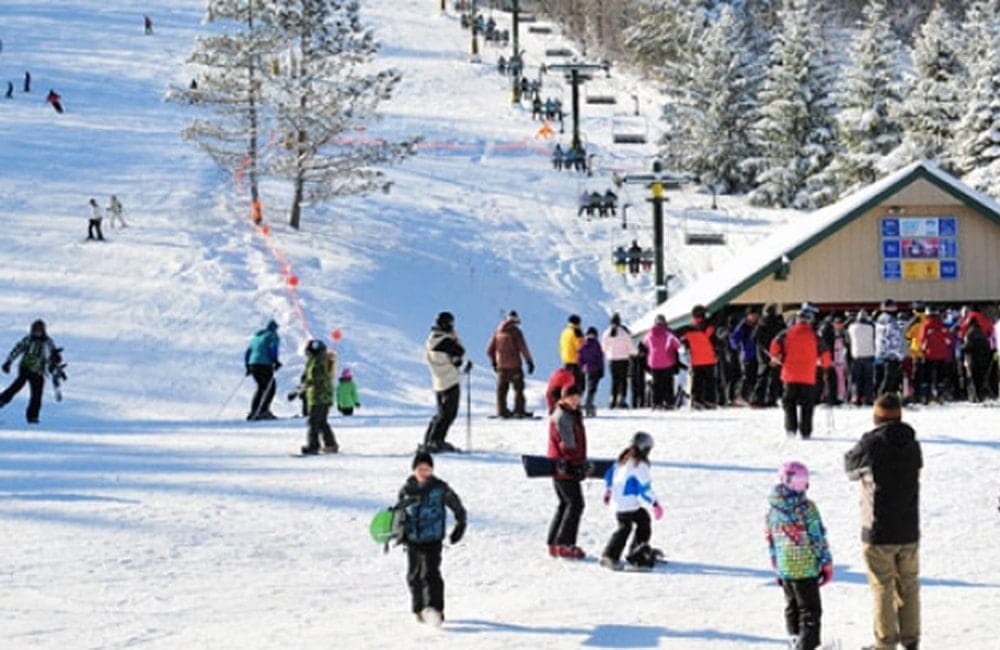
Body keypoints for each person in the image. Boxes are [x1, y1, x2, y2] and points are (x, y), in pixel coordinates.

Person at [844, 394, 922, 650]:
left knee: (882, 586)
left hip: (878, 529)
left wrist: (866, 441)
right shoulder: (913, 444)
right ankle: (911, 639)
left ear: (876, 417)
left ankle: (885, 642)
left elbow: (849, 468)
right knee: (909, 585)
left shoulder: (871, 444)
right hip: (909, 528)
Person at [766, 461, 833, 650]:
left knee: (792, 607)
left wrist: (777, 567)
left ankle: (794, 640)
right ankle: (807, 645)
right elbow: (817, 537)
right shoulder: (806, 508)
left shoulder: (773, 511)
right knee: (810, 611)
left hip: (785, 567)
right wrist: (826, 563)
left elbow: (771, 540)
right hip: (806, 568)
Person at [396, 451, 466, 626]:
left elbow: (457, 507)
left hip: (433, 538)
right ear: (414, 470)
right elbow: (399, 514)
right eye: (420, 469)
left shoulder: (440, 488)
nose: (424, 472)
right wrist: (398, 532)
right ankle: (418, 608)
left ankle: (435, 608)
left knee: (430, 573)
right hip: (412, 539)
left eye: (427, 469)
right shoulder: (406, 489)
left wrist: (460, 525)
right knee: (414, 575)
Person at [599, 431, 663, 571]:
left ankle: (611, 555)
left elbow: (609, 475)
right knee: (640, 522)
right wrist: (655, 503)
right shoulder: (639, 465)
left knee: (627, 525)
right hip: (627, 504)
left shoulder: (622, 460)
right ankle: (636, 556)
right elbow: (644, 489)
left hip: (617, 503)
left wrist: (609, 491)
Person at [547, 385, 588, 559]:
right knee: (575, 504)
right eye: (571, 397)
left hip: (563, 465)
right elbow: (568, 443)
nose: (575, 400)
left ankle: (554, 543)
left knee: (565, 503)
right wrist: (574, 463)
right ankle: (565, 544)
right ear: (563, 398)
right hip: (565, 466)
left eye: (577, 397)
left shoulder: (570, 414)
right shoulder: (563, 416)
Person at [770, 308, 819, 439]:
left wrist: (775, 357)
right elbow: (825, 352)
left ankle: (791, 428)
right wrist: (825, 366)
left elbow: (775, 344)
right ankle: (806, 431)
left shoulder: (786, 333)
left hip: (790, 374)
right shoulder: (815, 335)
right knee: (807, 405)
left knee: (789, 402)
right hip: (808, 376)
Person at [0, 320, 62, 424]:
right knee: (16, 386)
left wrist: (56, 358)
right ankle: (2, 400)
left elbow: (53, 354)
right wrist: (8, 362)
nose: (37, 333)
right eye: (35, 331)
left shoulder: (48, 342)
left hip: (39, 372)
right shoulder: (28, 340)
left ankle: (33, 417)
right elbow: (17, 350)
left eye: (39, 331)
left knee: (37, 395)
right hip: (26, 368)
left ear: (43, 331)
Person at [424, 311, 466, 453]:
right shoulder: (445, 340)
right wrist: (456, 337)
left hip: (438, 381)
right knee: (448, 414)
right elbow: (460, 351)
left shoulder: (432, 339)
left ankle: (429, 439)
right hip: (450, 380)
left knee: (441, 413)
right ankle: (437, 441)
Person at [486, 310, 534, 418]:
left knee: (501, 390)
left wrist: (494, 362)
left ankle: (501, 411)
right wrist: (529, 362)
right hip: (514, 366)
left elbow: (489, 350)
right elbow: (523, 348)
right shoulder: (516, 332)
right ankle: (519, 410)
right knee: (518, 389)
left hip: (501, 367)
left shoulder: (498, 331)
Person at [295, 339, 337, 454]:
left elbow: (316, 379)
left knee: (314, 421)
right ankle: (331, 444)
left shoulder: (318, 362)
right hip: (317, 395)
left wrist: (302, 389)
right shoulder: (313, 361)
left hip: (320, 396)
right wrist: (299, 389)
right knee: (321, 421)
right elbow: (306, 377)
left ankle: (313, 445)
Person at [681, 305, 717, 409]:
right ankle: (710, 400)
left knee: (697, 382)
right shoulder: (710, 327)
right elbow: (716, 342)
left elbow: (685, 343)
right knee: (710, 381)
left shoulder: (688, 330)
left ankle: (697, 400)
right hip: (709, 358)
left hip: (696, 360)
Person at [244, 319, 281, 420]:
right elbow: (273, 348)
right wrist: (275, 361)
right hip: (264, 364)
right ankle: (263, 411)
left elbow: (248, 352)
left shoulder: (256, 337)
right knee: (270, 388)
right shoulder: (273, 336)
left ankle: (254, 410)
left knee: (261, 387)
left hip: (253, 364)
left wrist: (247, 366)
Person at [643, 314, 681, 409]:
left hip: (653, 362)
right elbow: (678, 344)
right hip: (668, 361)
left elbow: (644, 343)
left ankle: (656, 403)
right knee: (668, 383)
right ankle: (669, 402)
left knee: (656, 383)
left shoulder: (649, 334)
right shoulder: (669, 334)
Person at [753, 303, 785, 406]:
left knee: (763, 376)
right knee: (773, 377)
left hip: (764, 354)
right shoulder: (778, 323)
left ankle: (759, 399)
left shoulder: (761, 323)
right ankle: (770, 399)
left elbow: (756, 339)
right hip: (774, 353)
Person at [917, 306, 950, 404]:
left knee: (927, 376)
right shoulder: (942, 325)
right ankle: (940, 396)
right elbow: (948, 340)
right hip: (942, 354)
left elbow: (922, 339)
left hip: (929, 354)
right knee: (940, 376)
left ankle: (926, 397)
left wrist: (922, 350)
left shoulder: (925, 324)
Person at [602, 313, 636, 409]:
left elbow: (603, 348)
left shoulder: (606, 333)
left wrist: (609, 353)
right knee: (623, 380)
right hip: (623, 359)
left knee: (614, 380)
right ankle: (621, 400)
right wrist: (635, 353)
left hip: (612, 359)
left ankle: (612, 399)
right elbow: (631, 347)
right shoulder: (624, 333)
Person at [729, 309, 759, 405]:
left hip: (756, 354)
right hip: (746, 354)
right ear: (747, 316)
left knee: (753, 377)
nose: (754, 318)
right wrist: (737, 346)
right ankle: (740, 396)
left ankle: (750, 396)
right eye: (752, 315)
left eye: (755, 316)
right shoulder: (743, 326)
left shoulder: (756, 326)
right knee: (746, 376)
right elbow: (734, 338)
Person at [848, 310, 877, 406]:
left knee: (856, 379)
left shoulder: (852, 327)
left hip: (856, 355)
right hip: (869, 355)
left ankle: (856, 398)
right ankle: (868, 398)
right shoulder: (871, 327)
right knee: (868, 379)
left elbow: (848, 339)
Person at [875, 301, 904, 396]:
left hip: (881, 352)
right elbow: (894, 338)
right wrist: (898, 353)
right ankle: (885, 398)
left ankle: (883, 397)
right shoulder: (891, 321)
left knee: (882, 377)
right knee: (890, 378)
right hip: (891, 353)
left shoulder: (879, 320)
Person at [578, 327, 604, 417]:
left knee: (585, 387)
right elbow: (599, 358)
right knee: (592, 389)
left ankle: (582, 405)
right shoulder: (596, 344)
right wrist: (601, 369)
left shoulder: (583, 344)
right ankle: (589, 405)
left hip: (585, 369)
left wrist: (581, 368)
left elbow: (580, 358)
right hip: (595, 369)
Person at [559, 314, 584, 389]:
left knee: (567, 383)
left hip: (566, 360)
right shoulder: (577, 332)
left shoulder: (564, 332)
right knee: (576, 385)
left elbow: (560, 346)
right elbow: (580, 347)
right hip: (576, 361)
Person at [631, 340, 649, 408]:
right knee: (638, 386)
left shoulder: (632, 342)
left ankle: (637, 403)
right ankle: (638, 403)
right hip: (638, 368)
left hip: (637, 368)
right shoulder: (642, 343)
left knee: (637, 386)